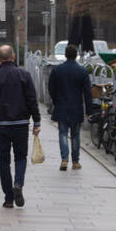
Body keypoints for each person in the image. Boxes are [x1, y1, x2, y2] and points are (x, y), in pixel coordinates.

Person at [0, 44, 41, 208]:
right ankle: (18, 184)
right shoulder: (24, 75)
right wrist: (36, 121)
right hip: (21, 123)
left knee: (3, 161)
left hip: (0, 123)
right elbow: (32, 99)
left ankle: (8, 198)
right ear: (13, 57)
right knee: (20, 157)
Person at [47, 43, 91, 171]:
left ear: (65, 55)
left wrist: (56, 100)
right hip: (76, 107)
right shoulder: (82, 71)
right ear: (76, 55)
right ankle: (75, 161)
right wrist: (89, 110)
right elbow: (87, 93)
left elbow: (51, 88)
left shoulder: (57, 70)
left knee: (62, 133)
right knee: (76, 135)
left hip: (61, 106)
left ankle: (64, 159)